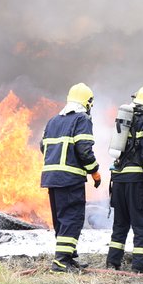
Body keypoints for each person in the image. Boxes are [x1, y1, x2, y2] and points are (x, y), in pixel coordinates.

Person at [40, 83, 102, 272]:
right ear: (88, 102)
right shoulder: (81, 119)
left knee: (61, 219)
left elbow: (43, 146)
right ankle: (60, 262)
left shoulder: (53, 121)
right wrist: (95, 172)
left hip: (52, 178)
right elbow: (84, 149)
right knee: (72, 219)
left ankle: (68, 257)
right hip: (70, 178)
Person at [106, 85, 143, 273]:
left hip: (118, 180)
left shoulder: (125, 120)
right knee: (142, 224)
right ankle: (139, 267)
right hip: (137, 182)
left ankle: (112, 263)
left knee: (120, 224)